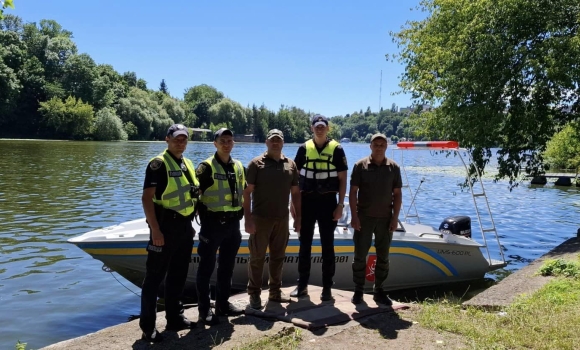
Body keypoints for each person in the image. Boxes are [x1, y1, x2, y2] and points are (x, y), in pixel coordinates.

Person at [139, 124, 199, 343]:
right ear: (167, 139)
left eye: (184, 139)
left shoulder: (188, 163)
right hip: (164, 228)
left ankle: (174, 317)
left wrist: (190, 223)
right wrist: (155, 229)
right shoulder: (158, 164)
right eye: (176, 139)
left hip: (184, 227)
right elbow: (147, 198)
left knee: (178, 275)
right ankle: (148, 328)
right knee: (154, 278)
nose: (180, 142)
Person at [290, 114, 348, 301]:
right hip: (306, 203)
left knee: (327, 246)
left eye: (323, 126)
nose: (320, 129)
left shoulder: (337, 149)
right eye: (317, 126)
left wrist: (340, 205)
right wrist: (293, 205)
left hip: (328, 203)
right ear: (312, 128)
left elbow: (342, 179)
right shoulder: (303, 149)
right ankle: (302, 285)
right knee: (304, 245)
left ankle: (327, 289)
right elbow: (294, 180)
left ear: (327, 128)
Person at [243, 129, 301, 310]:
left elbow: (295, 194)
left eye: (278, 140)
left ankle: (275, 292)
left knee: (278, 257)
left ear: (283, 143)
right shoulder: (256, 164)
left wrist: (298, 218)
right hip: (260, 219)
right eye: (272, 140)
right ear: (266, 142)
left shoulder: (290, 164)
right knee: (257, 258)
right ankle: (254, 294)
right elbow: (246, 192)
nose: (275, 143)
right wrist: (248, 219)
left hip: (282, 220)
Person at [195, 128, 245, 326]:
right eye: (222, 140)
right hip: (212, 224)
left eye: (230, 140)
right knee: (206, 268)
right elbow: (194, 196)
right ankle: (204, 311)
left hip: (233, 225)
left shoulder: (239, 166)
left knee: (227, 267)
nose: (226, 144)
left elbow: (244, 192)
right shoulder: (205, 167)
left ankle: (223, 304)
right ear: (215, 143)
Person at [349, 133, 402, 305]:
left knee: (383, 257)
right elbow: (353, 192)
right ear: (370, 146)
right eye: (375, 144)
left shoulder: (393, 168)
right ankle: (358, 290)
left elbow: (397, 194)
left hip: (385, 219)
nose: (379, 147)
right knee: (359, 256)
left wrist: (395, 218)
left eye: (382, 144)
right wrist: (354, 216)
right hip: (364, 218)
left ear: (386, 146)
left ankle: (379, 290)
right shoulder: (360, 166)